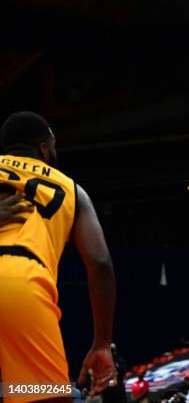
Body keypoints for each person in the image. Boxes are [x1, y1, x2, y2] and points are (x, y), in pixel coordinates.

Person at [0, 112, 117, 403]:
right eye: (53, 146)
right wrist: (102, 343)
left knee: (12, 391)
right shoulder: (69, 188)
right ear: (43, 147)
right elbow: (100, 263)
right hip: (19, 284)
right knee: (48, 395)